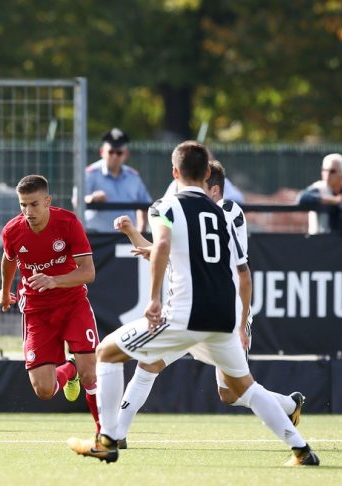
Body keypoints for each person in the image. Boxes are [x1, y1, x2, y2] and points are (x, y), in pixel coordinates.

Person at [67, 141, 319, 466]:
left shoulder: (167, 206)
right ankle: (301, 450)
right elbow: (243, 274)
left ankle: (107, 440)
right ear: (206, 173)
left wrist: (153, 299)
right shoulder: (223, 213)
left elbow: (162, 246)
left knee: (106, 352)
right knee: (246, 389)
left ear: (175, 172)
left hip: (184, 315)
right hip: (223, 318)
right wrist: (241, 323)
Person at [112, 160, 305, 449]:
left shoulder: (227, 211)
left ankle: (290, 411)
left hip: (223, 311)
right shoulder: (195, 214)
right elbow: (169, 250)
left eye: (196, 184)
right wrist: (132, 232)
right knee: (148, 363)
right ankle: (117, 434)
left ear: (212, 188)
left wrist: (242, 322)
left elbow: (197, 253)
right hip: (187, 310)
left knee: (232, 393)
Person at [0, 174, 101, 433]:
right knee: (44, 390)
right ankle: (70, 369)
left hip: (72, 303)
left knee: (90, 374)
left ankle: (106, 432)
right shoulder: (12, 230)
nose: (28, 212)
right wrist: (5, 291)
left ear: (47, 201)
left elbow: (88, 272)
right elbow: (9, 259)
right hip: (36, 310)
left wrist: (54, 281)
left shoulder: (68, 223)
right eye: (23, 205)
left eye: (34, 204)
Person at [83, 128, 151, 233]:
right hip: (96, 236)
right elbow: (77, 200)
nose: (114, 156)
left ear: (126, 154)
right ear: (102, 152)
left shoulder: (133, 176)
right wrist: (92, 198)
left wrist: (141, 232)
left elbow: (145, 205)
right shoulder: (91, 173)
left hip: (127, 236)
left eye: (119, 153)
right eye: (111, 152)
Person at [296, 153, 342, 234]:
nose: (327, 174)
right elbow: (301, 198)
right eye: (324, 170)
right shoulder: (319, 187)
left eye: (332, 171)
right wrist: (334, 200)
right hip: (320, 239)